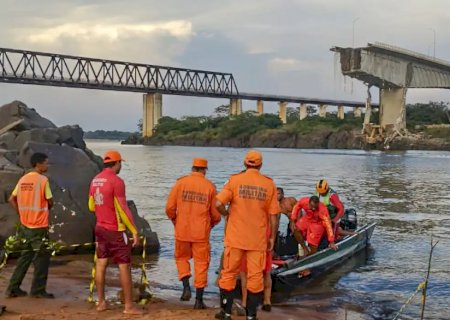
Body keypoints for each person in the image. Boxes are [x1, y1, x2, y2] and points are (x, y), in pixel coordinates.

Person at [215, 150, 280, 320]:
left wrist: (226, 214)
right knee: (255, 277)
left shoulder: (235, 180)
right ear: (260, 165)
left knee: (228, 274)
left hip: (235, 238)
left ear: (245, 163)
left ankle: (226, 312)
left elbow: (217, 203)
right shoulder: (269, 184)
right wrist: (272, 237)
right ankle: (251, 316)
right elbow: (274, 215)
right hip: (257, 240)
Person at [88, 150, 144, 315]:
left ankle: (101, 302)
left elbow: (91, 205)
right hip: (115, 230)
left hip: (100, 228)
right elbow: (123, 208)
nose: (121, 166)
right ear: (117, 163)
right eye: (120, 163)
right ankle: (129, 306)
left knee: (101, 264)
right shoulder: (117, 181)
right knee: (124, 266)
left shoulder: (95, 180)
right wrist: (134, 231)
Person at [165, 157, 221, 309]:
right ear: (204, 170)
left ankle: (185, 287)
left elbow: (169, 208)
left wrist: (176, 221)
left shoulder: (180, 183)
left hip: (182, 230)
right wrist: (212, 224)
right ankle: (199, 301)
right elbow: (216, 215)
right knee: (201, 264)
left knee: (181, 258)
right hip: (201, 233)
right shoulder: (210, 186)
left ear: (193, 168)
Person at [5, 152, 54, 299]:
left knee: (25, 256)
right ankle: (38, 290)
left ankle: (13, 287)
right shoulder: (43, 180)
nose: (47, 165)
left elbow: (11, 199)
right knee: (42, 257)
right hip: (39, 225)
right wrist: (46, 208)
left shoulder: (23, 179)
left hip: (26, 225)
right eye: (46, 162)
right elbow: (50, 200)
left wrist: (21, 213)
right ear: (38, 164)